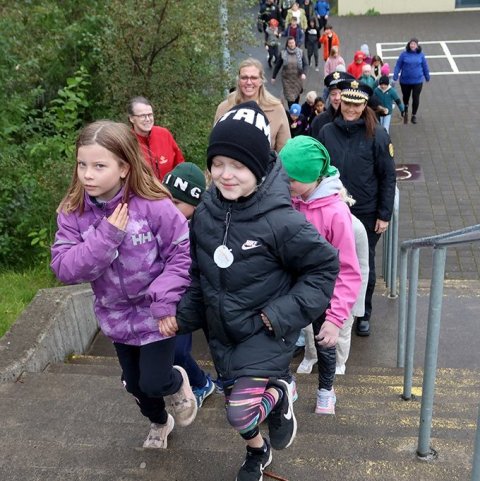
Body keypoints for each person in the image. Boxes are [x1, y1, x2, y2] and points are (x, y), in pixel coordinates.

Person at [160, 101, 339, 481]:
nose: (226, 175)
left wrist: (277, 316)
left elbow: (323, 268)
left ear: (258, 168)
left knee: (239, 410)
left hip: (265, 329)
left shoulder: (281, 220)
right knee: (239, 411)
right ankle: (258, 452)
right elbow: (198, 274)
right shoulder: (206, 212)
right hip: (222, 332)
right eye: (218, 163)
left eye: (238, 166)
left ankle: (278, 393)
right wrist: (182, 318)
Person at [50, 120, 197, 449]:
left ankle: (176, 383)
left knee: (155, 379)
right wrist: (106, 238)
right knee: (134, 385)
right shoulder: (74, 213)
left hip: (156, 314)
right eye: (82, 164)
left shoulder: (153, 206)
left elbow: (181, 255)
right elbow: (63, 267)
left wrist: (165, 302)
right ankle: (160, 421)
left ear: (123, 168)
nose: (87, 174)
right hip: (114, 317)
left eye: (99, 166)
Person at [279, 136, 361, 414]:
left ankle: (326, 390)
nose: (283, 183)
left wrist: (335, 319)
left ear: (311, 178)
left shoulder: (336, 214)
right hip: (291, 287)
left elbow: (348, 271)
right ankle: (287, 382)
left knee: (325, 341)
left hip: (322, 293)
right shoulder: (291, 197)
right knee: (282, 336)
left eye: (290, 179)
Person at [317, 79, 396, 337]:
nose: (351, 109)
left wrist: (384, 214)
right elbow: (317, 172)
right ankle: (329, 310)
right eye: (348, 103)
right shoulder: (327, 132)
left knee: (363, 266)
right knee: (327, 263)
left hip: (365, 213)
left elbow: (387, 176)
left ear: (365, 105)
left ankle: (362, 313)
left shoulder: (377, 135)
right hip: (330, 211)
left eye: (357, 104)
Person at [162, 162, 216, 408]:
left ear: (194, 205)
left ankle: (214, 381)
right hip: (174, 298)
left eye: (176, 204)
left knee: (216, 345)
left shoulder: (205, 228)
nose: (167, 207)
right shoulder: (162, 221)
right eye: (165, 199)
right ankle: (201, 381)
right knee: (176, 350)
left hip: (201, 298)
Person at [215, 57, 290, 153]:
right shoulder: (224, 108)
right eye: (244, 77)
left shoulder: (276, 109)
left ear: (261, 80)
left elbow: (284, 151)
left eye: (254, 78)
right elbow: (215, 146)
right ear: (238, 80)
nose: (249, 82)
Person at [127, 96, 184, 180]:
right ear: (131, 118)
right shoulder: (126, 141)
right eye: (142, 116)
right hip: (141, 192)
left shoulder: (164, 134)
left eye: (150, 115)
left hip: (168, 191)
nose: (147, 119)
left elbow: (180, 165)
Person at [393, 37, 430, 124]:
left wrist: (427, 76)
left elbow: (425, 66)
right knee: (405, 97)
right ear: (409, 45)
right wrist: (395, 76)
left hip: (417, 81)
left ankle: (414, 115)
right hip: (405, 81)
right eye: (411, 44)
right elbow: (398, 65)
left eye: (414, 44)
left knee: (416, 98)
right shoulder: (404, 54)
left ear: (417, 45)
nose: (412, 45)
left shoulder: (421, 55)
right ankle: (406, 106)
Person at [310, 70, 354, 138]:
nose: (337, 98)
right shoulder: (318, 121)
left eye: (341, 93)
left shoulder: (358, 120)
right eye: (333, 94)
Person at [272, 36, 307, 108]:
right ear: (287, 44)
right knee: (290, 99)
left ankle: (295, 113)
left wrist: (304, 73)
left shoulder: (300, 52)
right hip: (287, 80)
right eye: (290, 43)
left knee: (296, 97)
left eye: (293, 42)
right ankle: (292, 113)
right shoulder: (283, 53)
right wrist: (273, 77)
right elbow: (277, 66)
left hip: (297, 79)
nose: (291, 44)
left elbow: (305, 64)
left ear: (295, 43)